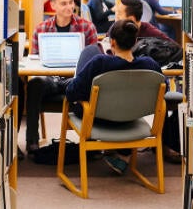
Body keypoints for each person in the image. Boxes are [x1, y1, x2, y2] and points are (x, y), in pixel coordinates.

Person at [65, 19, 164, 174]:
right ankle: (119, 154)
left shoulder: (100, 62)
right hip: (131, 119)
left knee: (89, 57)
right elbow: (161, 89)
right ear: (135, 42)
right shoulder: (150, 65)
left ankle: (100, 151)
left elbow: (71, 93)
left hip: (98, 121)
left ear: (112, 42)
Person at [21, 0, 98, 156]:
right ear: (53, 5)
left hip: (76, 79)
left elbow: (95, 62)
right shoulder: (41, 29)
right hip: (51, 79)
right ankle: (32, 141)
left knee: (94, 87)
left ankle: (91, 142)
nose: (70, 7)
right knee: (34, 85)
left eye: (71, 2)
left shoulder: (87, 27)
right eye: (64, 4)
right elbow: (35, 62)